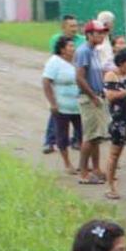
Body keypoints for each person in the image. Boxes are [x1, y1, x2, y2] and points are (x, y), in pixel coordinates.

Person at [43, 15, 85, 154]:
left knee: (77, 119)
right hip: (62, 89)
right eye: (71, 26)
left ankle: (76, 141)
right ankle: (50, 141)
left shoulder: (82, 40)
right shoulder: (56, 40)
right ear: (64, 27)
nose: (74, 29)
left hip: (75, 89)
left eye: (76, 26)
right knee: (57, 115)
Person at [74, 20, 110, 185]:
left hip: (97, 95)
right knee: (89, 136)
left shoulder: (94, 51)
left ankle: (96, 168)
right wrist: (93, 96)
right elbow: (80, 77)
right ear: (88, 34)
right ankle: (83, 173)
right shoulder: (84, 52)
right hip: (89, 98)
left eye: (103, 32)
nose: (101, 35)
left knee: (97, 136)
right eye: (98, 33)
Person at [42, 35, 82, 174]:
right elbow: (46, 82)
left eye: (73, 46)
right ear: (62, 49)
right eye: (70, 46)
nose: (73, 48)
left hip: (78, 106)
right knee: (62, 135)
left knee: (83, 134)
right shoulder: (54, 62)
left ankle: (84, 163)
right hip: (62, 106)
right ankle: (67, 163)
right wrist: (52, 103)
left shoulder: (77, 61)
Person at [103, 48, 126, 201]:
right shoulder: (112, 75)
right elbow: (110, 96)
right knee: (114, 154)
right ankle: (110, 185)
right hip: (118, 120)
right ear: (121, 62)